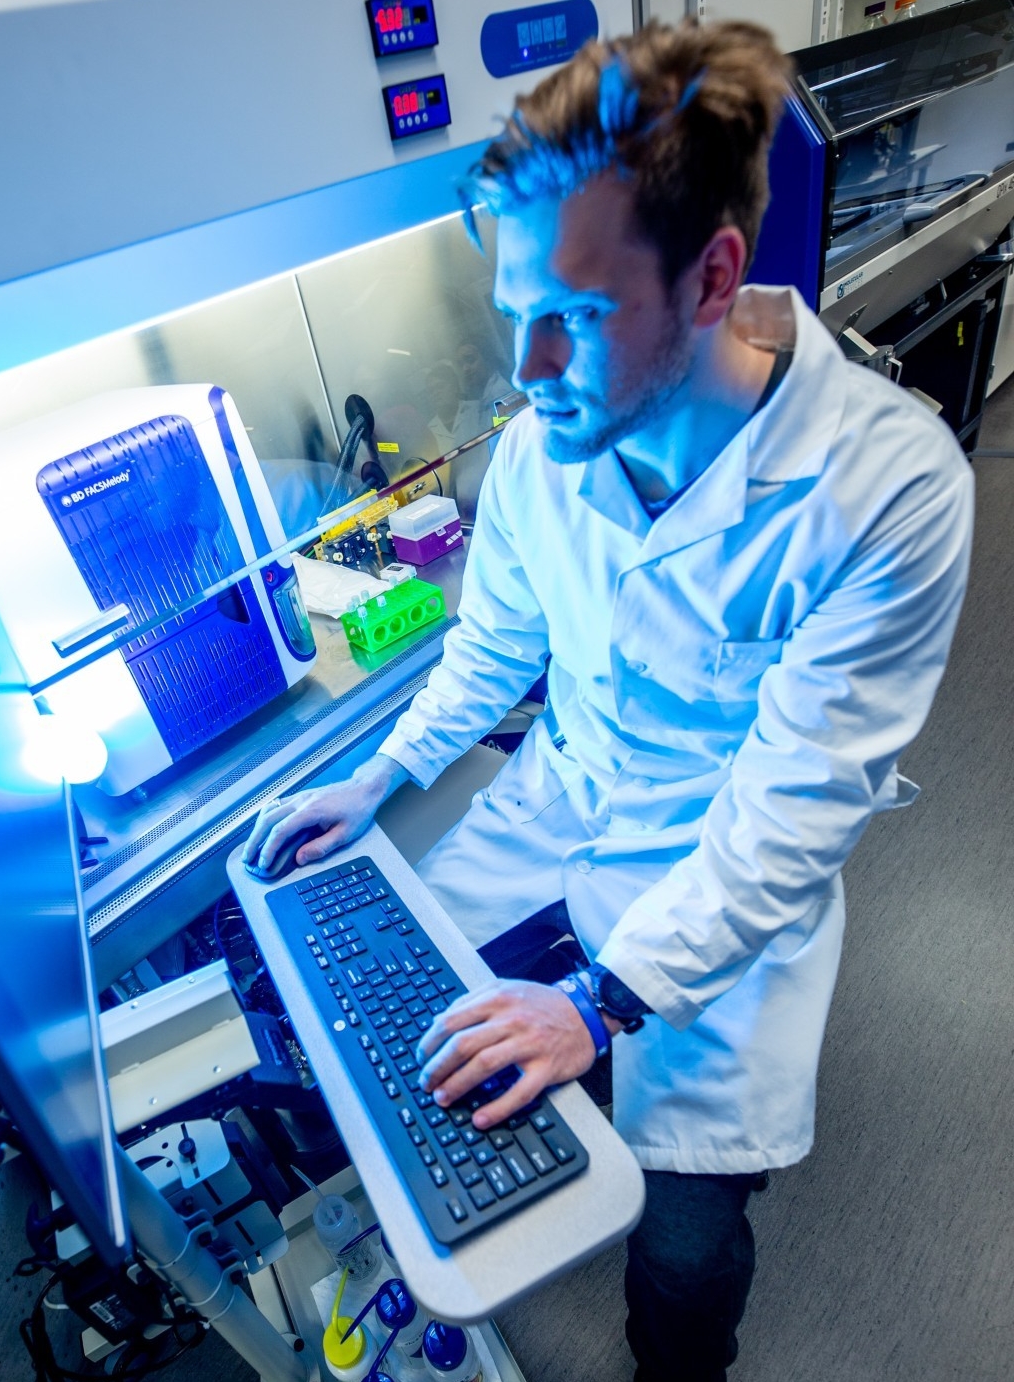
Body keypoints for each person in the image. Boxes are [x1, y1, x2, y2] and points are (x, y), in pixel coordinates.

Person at [245, 20, 973, 1381]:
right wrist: (379, 778)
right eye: (513, 311)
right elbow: (494, 647)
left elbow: (791, 817)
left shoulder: (889, 490)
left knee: (685, 1243)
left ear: (713, 278)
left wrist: (600, 1000)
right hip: (559, 813)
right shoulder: (544, 448)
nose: (524, 374)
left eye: (573, 319)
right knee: (397, 1026)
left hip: (724, 887)